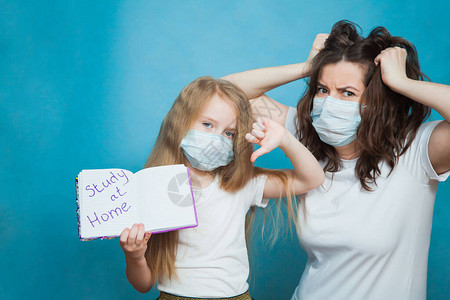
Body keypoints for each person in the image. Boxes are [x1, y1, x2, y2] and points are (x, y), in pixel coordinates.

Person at [223, 20, 450, 300]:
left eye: (347, 93)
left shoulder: (416, 149)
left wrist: (401, 82)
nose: (329, 103)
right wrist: (307, 67)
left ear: (379, 101)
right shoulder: (305, 135)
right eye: (322, 89)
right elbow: (226, 93)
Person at [118, 76, 325, 299]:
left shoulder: (243, 184)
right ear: (180, 122)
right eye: (207, 124)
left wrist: (285, 139)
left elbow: (311, 179)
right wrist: (135, 256)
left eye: (229, 133)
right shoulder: (155, 189)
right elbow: (143, 284)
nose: (217, 138)